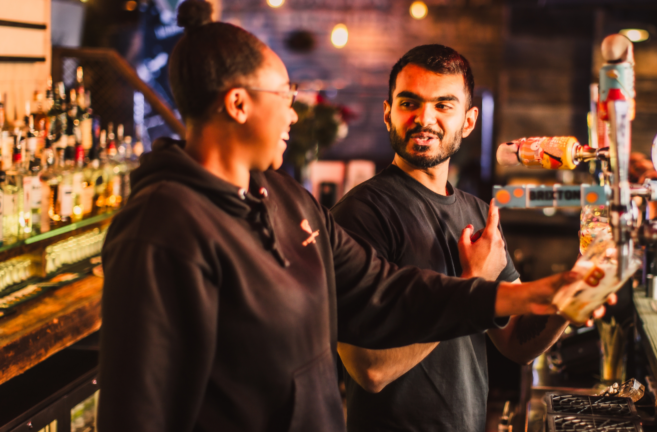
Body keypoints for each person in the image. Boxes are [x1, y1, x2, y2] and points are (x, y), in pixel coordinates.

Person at [96, 3, 581, 432]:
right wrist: (482, 283)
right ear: (238, 104)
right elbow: (139, 412)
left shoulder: (287, 201)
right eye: (286, 95)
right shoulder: (159, 231)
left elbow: (383, 291)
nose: (294, 114)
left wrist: (540, 293)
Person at [332, 45, 614, 432]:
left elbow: (516, 342)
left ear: (468, 121)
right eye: (409, 103)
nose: (424, 118)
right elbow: (370, 370)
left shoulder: (480, 213)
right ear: (388, 114)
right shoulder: (361, 214)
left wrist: (568, 301)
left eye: (443, 105)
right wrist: (472, 285)